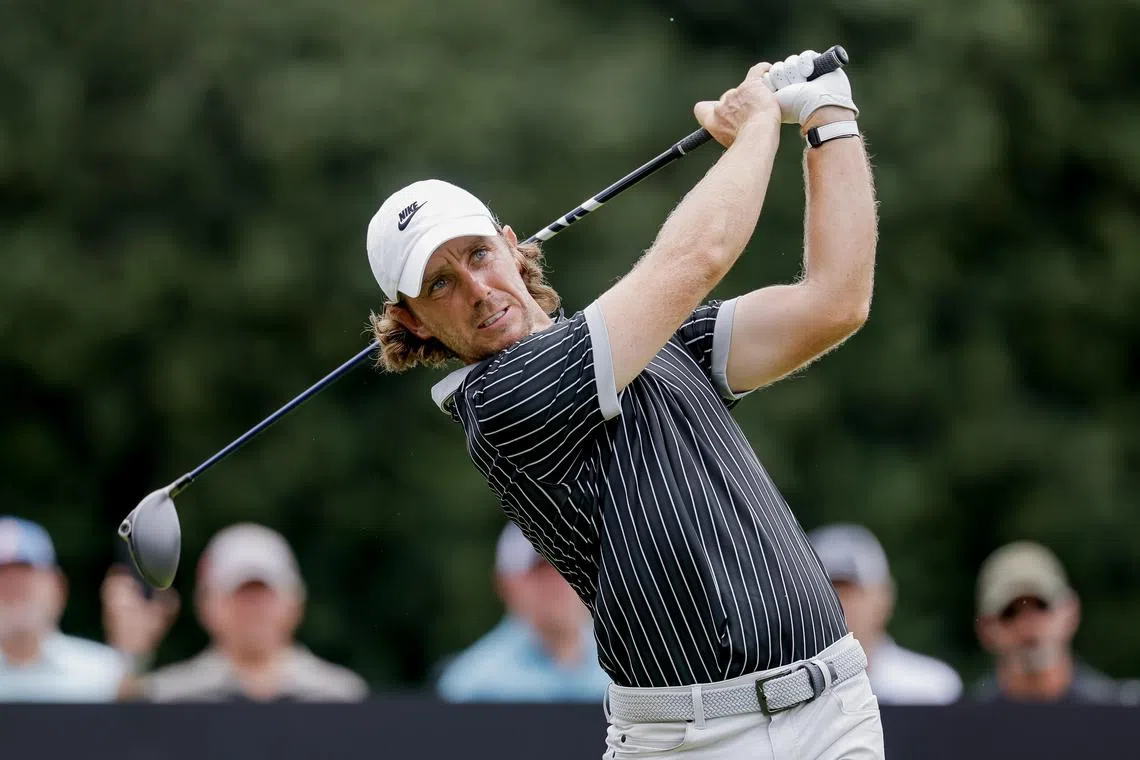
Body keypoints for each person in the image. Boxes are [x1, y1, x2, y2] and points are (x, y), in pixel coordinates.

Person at [366, 47, 879, 759]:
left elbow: (835, 302)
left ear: (512, 247)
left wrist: (829, 114)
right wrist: (759, 120)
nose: (477, 290)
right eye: (440, 284)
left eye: (477, 255)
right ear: (415, 322)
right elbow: (696, 258)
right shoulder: (502, 400)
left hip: (835, 709)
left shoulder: (648, 342)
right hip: (693, 742)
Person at [116, 523, 368, 702]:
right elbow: (125, 739)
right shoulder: (165, 697)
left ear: (296, 603)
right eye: (239, 595)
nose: (254, 609)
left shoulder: (342, 696)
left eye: (265, 594)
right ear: (206, 605)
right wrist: (130, 659)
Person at [0, 515, 176, 702]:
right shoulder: (106, 671)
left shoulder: (107, 673)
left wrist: (133, 658)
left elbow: (129, 716)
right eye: (3, 578)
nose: (13, 589)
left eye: (25, 577)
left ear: (58, 587)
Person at [435, 522, 612, 702]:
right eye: (541, 570)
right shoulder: (471, 687)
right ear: (506, 584)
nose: (560, 581)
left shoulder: (623, 668)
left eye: (570, 568)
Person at [808, 523, 962, 705]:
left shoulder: (933, 689)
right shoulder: (787, 693)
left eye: (851, 591)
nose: (837, 604)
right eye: (824, 592)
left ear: (885, 597)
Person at [972, 540, 1138, 705]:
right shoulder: (966, 718)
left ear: (1071, 612)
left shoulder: (1120, 711)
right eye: (1009, 613)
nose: (1028, 623)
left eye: (1041, 606)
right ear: (985, 628)